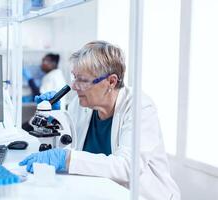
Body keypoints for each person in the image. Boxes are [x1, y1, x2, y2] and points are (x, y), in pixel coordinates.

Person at [19, 41, 180, 200]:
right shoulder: (80, 104)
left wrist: (66, 159)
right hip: (99, 192)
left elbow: (127, 167)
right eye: (74, 78)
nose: (74, 86)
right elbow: (66, 146)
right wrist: (55, 119)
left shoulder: (140, 107)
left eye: (82, 80)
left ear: (111, 81)